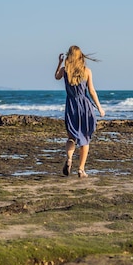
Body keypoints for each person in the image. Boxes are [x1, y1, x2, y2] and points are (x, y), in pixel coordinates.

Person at [55, 45, 105, 178]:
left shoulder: (65, 70)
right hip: (84, 106)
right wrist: (99, 107)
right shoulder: (87, 71)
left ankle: (69, 158)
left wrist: (60, 62)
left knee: (71, 137)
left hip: (71, 105)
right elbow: (92, 91)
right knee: (85, 138)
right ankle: (81, 170)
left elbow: (56, 77)